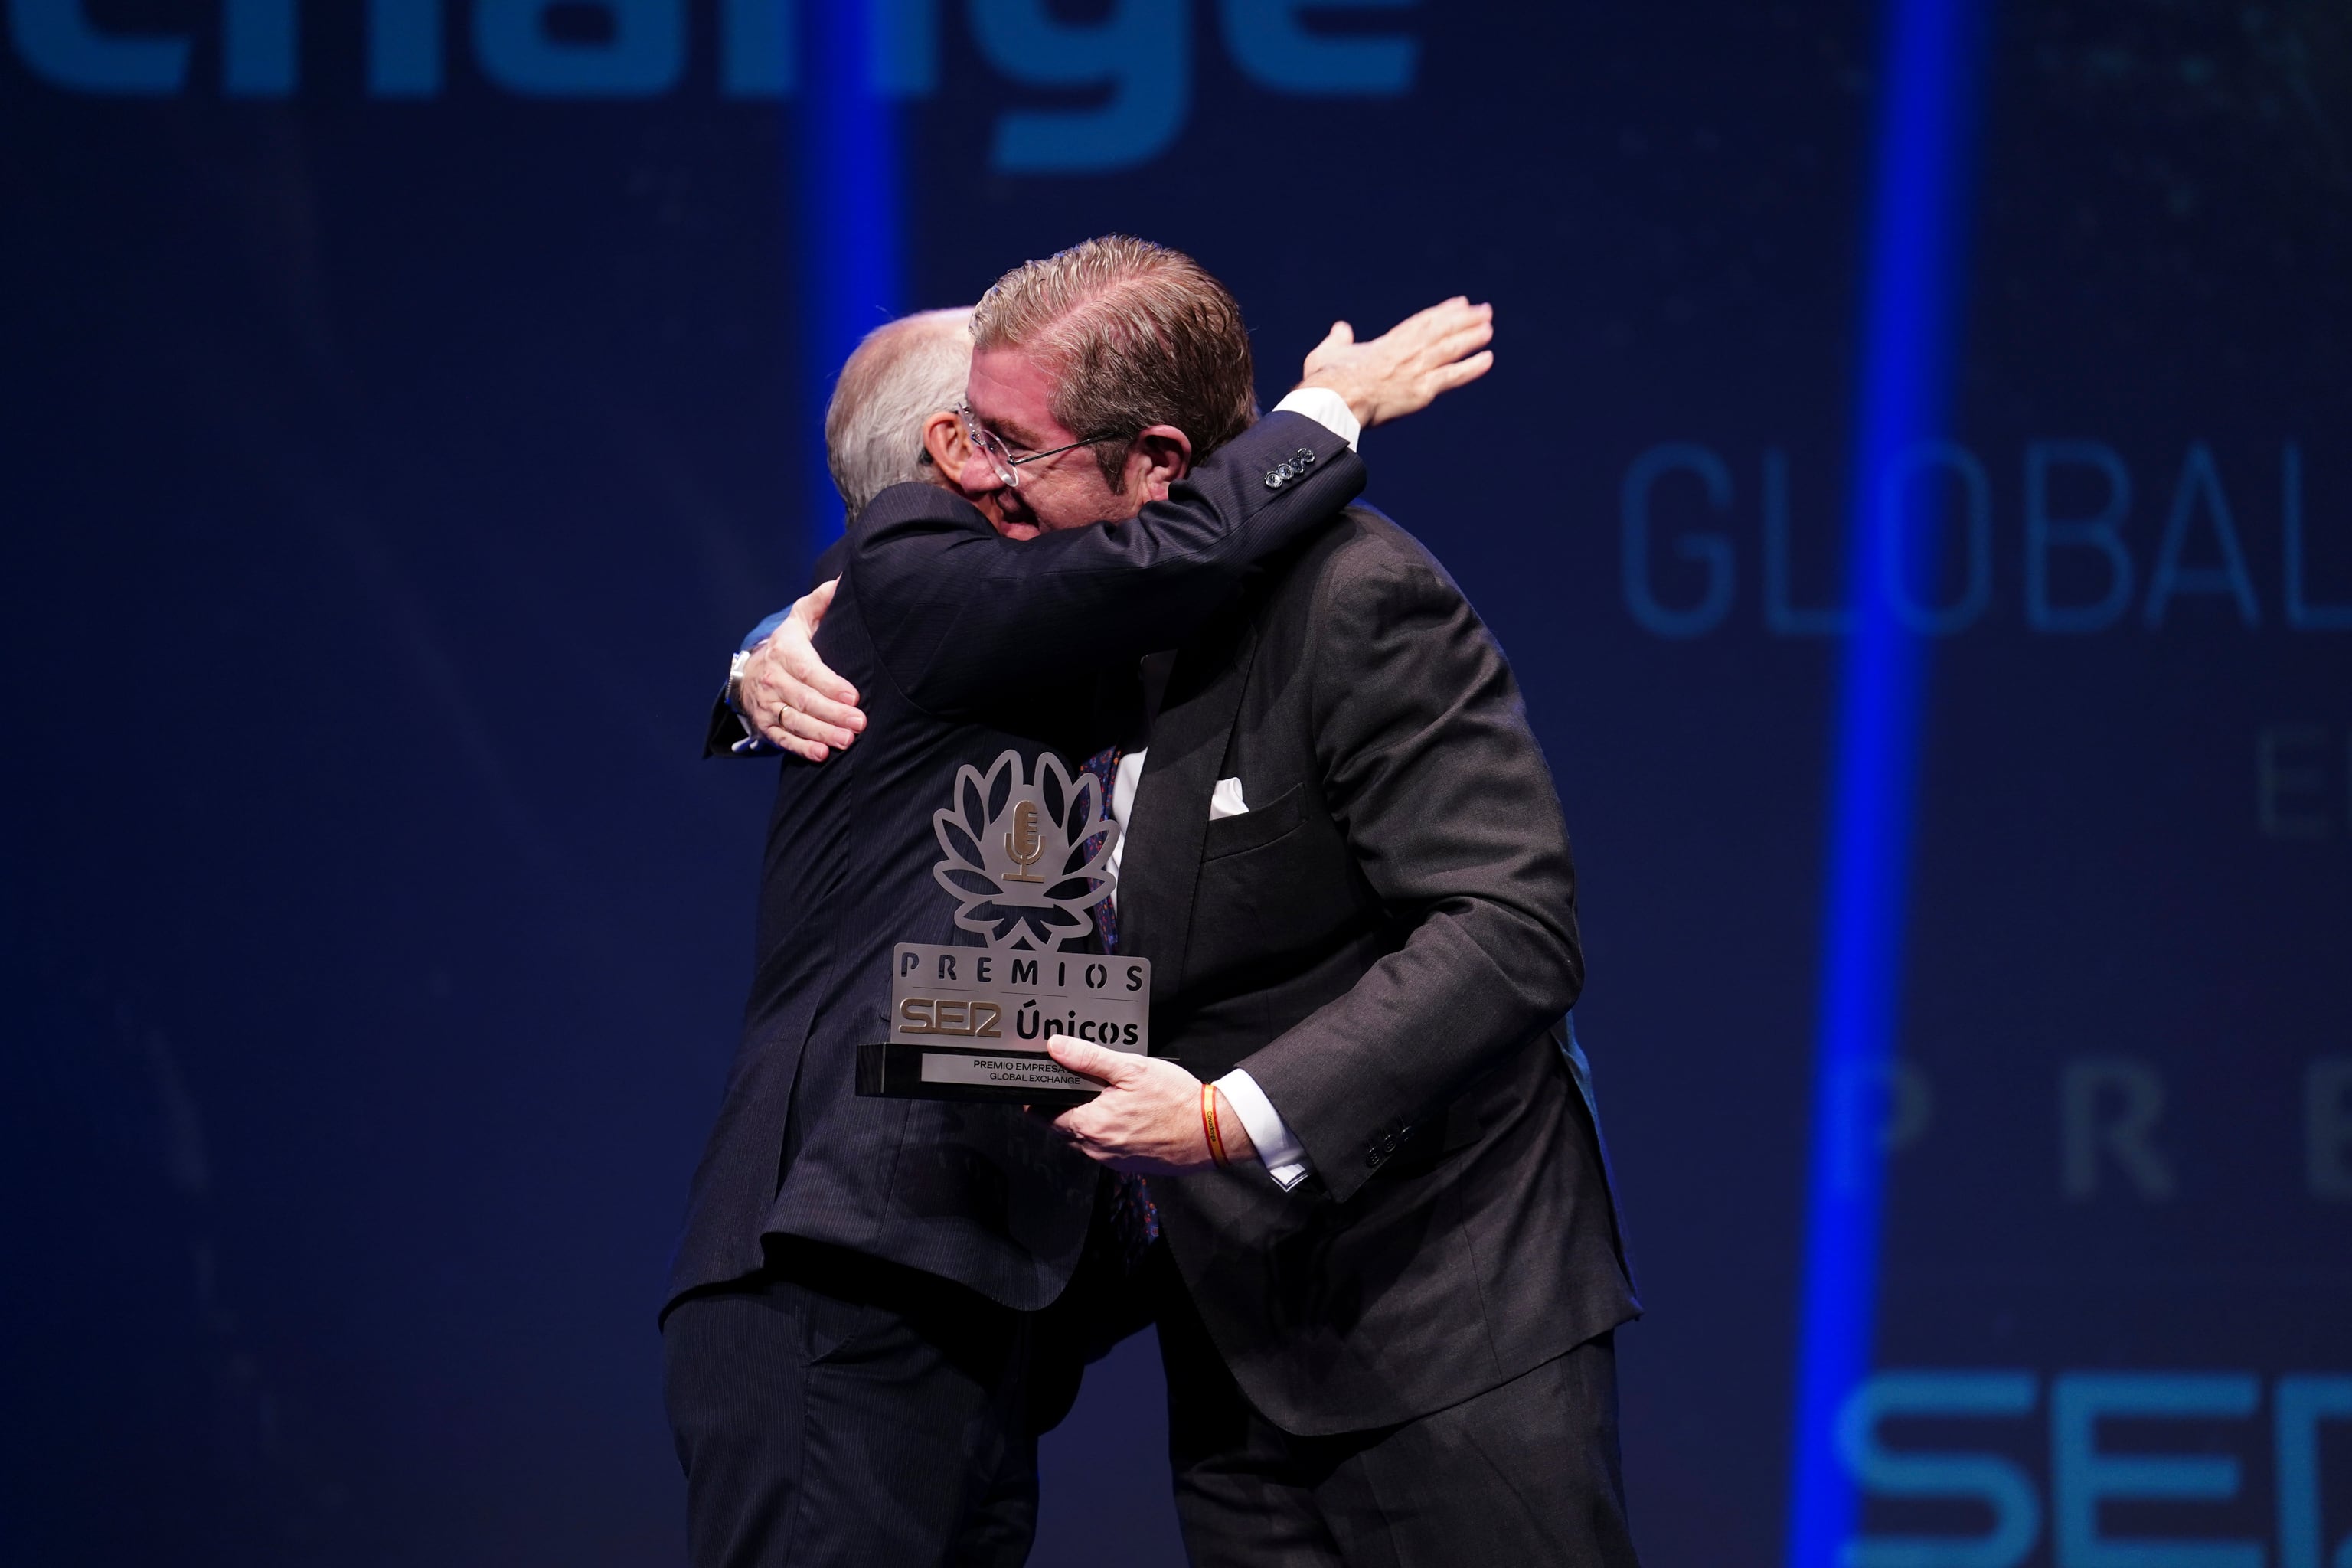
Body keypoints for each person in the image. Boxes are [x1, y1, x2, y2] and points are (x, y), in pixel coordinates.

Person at [745, 236, 1642, 1566]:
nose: (966, 476)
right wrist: (761, 656)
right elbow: (898, 609)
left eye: (1008, 447)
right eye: (960, 434)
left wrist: (1233, 1116)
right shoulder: (1072, 603)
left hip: (1443, 1320)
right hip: (1228, 1340)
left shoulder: (1355, 599)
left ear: (1159, 463)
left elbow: (1509, 930)